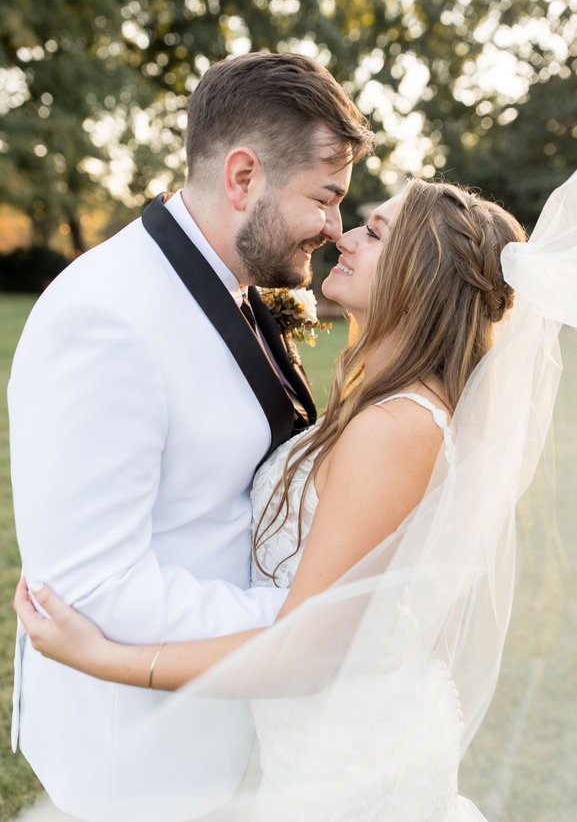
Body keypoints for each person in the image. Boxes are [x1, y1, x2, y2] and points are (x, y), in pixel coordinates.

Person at [18, 171, 577, 821]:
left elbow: (307, 649)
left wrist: (107, 658)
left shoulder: (395, 426)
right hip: (310, 741)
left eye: (374, 232)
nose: (344, 236)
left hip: (347, 766)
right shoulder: (375, 401)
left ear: (418, 275)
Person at [8, 51, 373, 819]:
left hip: (218, 725)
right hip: (141, 760)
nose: (334, 226)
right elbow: (93, 590)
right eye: (325, 197)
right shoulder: (106, 316)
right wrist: (304, 621)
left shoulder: (229, 285)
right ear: (243, 177)